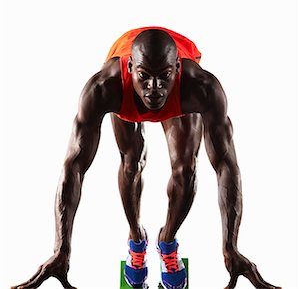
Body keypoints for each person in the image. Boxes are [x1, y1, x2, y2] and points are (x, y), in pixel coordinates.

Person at [12, 26, 281, 289]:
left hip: (180, 91)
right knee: (132, 163)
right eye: (144, 76)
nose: (154, 88)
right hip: (127, 90)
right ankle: (136, 239)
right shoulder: (104, 87)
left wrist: (230, 247)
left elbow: (226, 165)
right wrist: (61, 249)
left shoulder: (201, 87)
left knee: (186, 169)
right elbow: (74, 166)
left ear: (176, 69)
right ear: (129, 69)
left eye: (164, 76)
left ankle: (167, 242)